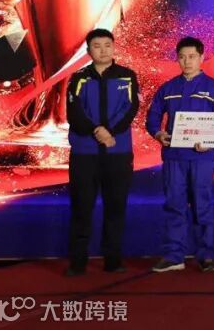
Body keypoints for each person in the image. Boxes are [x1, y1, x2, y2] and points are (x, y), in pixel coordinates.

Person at [146, 36, 214, 273]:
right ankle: (174, 256)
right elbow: (153, 117)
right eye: (182, 57)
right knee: (174, 205)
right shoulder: (168, 88)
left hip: (201, 158)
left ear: (202, 57)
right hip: (174, 156)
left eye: (192, 56)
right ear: (177, 59)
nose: (187, 61)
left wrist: (210, 142)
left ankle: (206, 256)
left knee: (202, 206)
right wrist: (157, 133)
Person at [64, 28, 139, 276]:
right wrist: (97, 131)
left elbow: (130, 109)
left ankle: (113, 260)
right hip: (84, 154)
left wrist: (110, 132)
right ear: (88, 51)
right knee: (81, 207)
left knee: (115, 207)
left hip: (118, 152)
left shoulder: (127, 76)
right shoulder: (78, 78)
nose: (103, 50)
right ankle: (77, 262)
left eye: (107, 45)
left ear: (114, 47)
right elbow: (74, 113)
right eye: (97, 46)